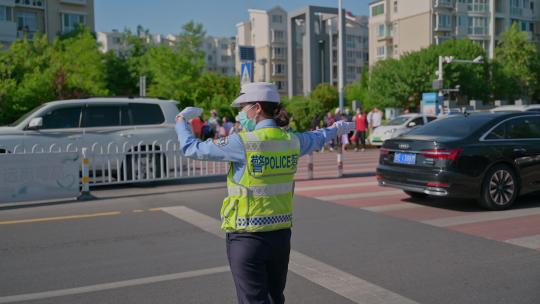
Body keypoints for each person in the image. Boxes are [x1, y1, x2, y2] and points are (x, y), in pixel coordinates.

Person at [175, 82, 354, 304]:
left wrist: (181, 122)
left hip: (247, 236)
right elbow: (317, 137)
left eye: (243, 107)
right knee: (275, 298)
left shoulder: (242, 142)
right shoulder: (292, 141)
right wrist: (337, 128)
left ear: (257, 108)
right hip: (280, 236)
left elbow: (191, 148)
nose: (240, 113)